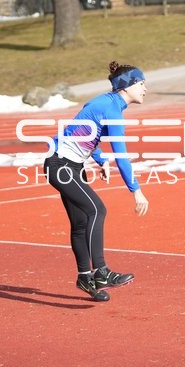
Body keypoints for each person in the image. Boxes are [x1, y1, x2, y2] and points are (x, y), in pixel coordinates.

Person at [44, 61, 149, 301]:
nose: (145, 89)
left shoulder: (108, 104)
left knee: (81, 223)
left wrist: (100, 159)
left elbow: (84, 132)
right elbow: (121, 154)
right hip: (60, 166)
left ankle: (85, 277)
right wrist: (136, 190)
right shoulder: (111, 108)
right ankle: (101, 272)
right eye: (142, 84)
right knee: (97, 210)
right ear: (128, 86)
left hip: (71, 166)